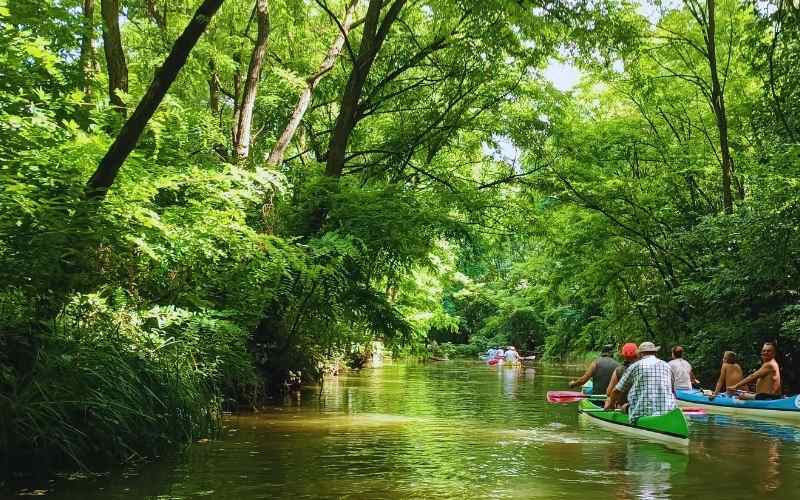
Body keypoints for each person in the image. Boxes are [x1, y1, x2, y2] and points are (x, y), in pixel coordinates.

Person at [605, 341, 676, 423]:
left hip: (642, 413)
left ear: (640, 354)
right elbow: (673, 392)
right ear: (655, 353)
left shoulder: (635, 366)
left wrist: (611, 405)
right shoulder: (667, 365)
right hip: (668, 411)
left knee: (624, 407)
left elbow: (616, 391)